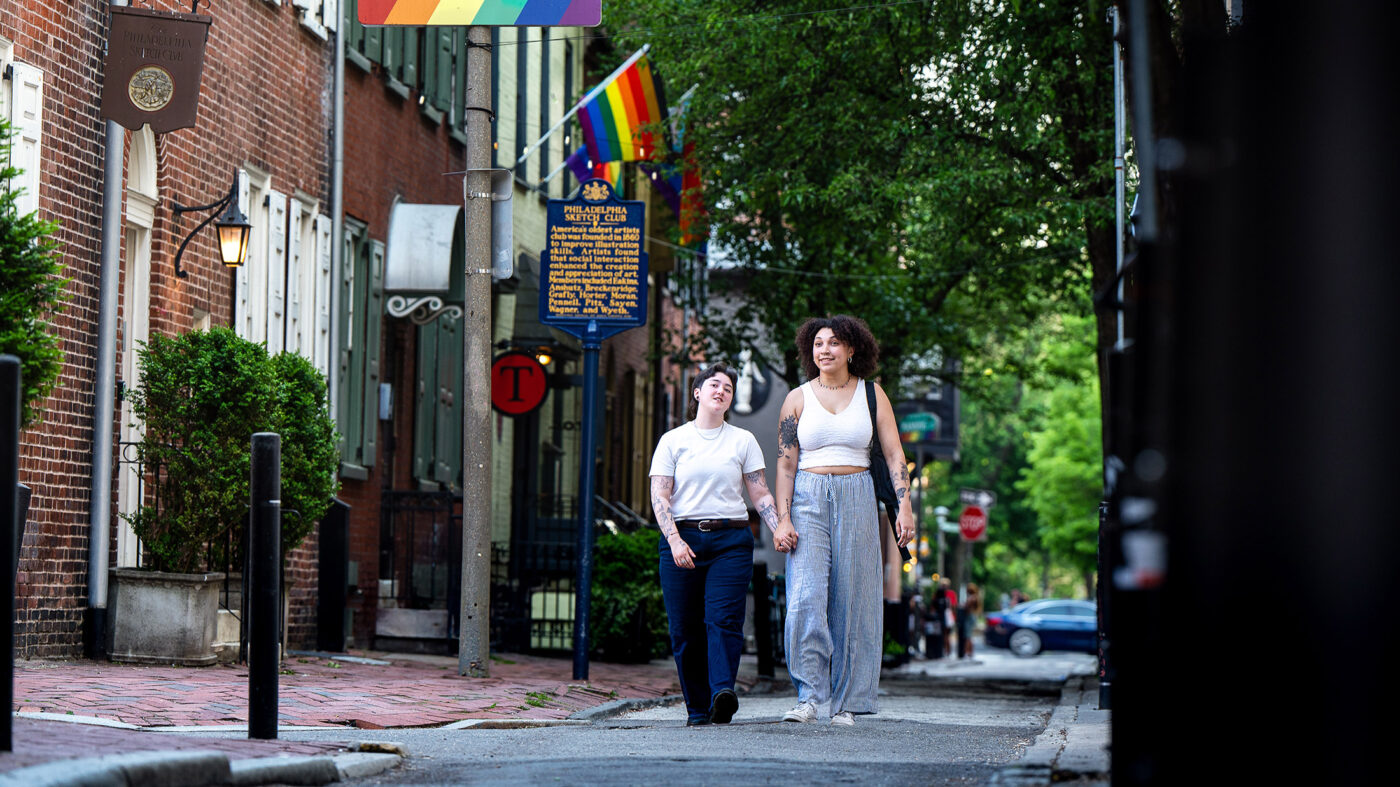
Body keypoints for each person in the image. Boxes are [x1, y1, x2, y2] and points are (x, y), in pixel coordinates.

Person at [772, 315, 915, 727]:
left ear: (852, 349)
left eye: (835, 343)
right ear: (809, 350)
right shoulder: (797, 399)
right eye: (818, 343)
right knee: (805, 597)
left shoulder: (872, 395)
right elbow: (785, 466)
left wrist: (905, 506)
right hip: (807, 497)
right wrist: (783, 519)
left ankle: (848, 702)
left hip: (857, 495)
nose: (825, 350)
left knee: (855, 599)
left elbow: (893, 456)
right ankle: (810, 696)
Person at [650, 363, 781, 727]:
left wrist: (779, 527)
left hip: (730, 541)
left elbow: (759, 492)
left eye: (728, 387)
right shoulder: (673, 441)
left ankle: (723, 692)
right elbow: (660, 495)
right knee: (685, 629)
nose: (721, 390)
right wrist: (674, 540)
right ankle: (697, 708)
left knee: (723, 620)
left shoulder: (743, 441)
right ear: (697, 393)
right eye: (714, 384)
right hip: (682, 539)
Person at [958, 582, 983, 659]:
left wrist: (962, 605)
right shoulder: (976, 597)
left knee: (967, 635)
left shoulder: (972, 597)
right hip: (972, 616)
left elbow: (967, 606)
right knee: (969, 635)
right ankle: (969, 652)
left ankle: (967, 651)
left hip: (969, 617)